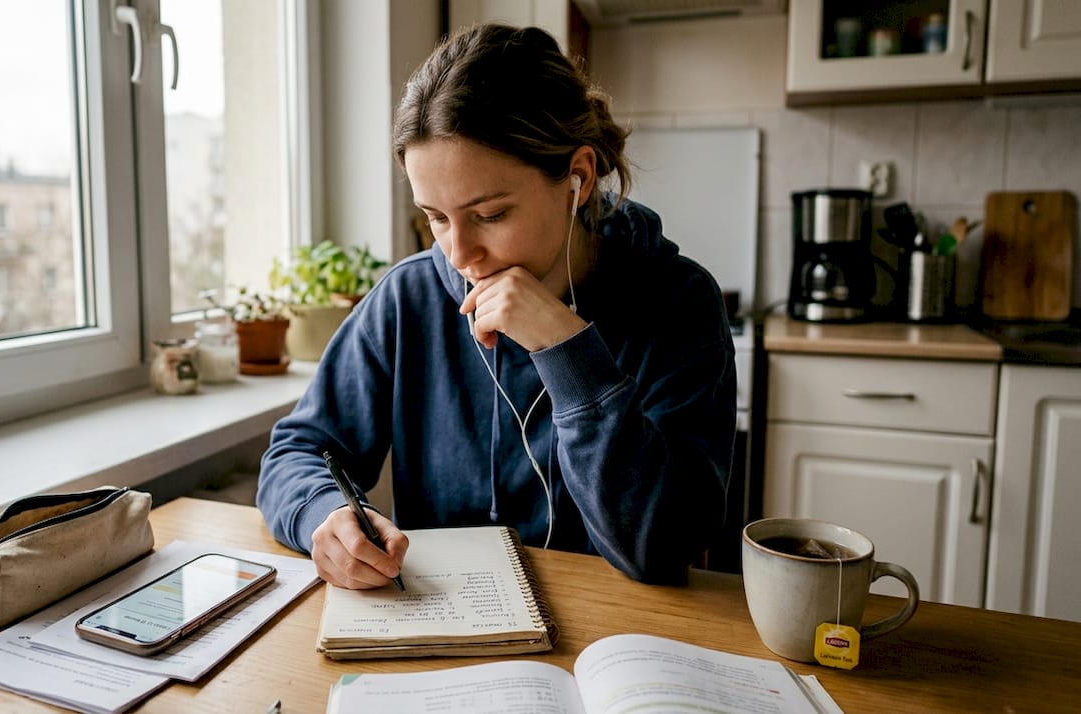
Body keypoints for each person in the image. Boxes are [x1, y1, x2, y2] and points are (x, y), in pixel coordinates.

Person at [256, 22, 736, 589]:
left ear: (577, 179)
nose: (460, 254)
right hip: (446, 631)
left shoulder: (678, 302)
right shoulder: (408, 299)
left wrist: (568, 351)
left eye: (489, 214)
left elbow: (663, 547)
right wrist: (324, 515)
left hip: (618, 639)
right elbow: (297, 453)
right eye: (436, 218)